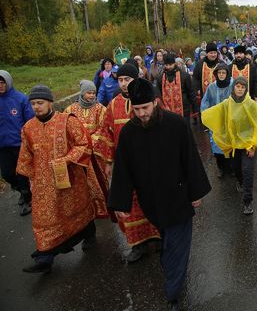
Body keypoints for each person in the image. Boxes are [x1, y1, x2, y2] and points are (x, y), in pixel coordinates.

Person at [109, 78, 211, 311]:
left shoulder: (176, 124)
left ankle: (172, 294)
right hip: (151, 201)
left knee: (176, 247)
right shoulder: (128, 132)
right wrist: (120, 203)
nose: (142, 114)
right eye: (136, 109)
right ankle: (173, 273)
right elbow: (123, 169)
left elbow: (191, 159)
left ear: (155, 103)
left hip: (179, 198)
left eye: (145, 108)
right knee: (168, 242)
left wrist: (196, 192)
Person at [17, 85, 107, 273]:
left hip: (69, 179)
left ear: (50, 102)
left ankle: (89, 233)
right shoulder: (28, 128)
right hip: (42, 183)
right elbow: (26, 155)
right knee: (43, 220)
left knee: (78, 211)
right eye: (33, 104)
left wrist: (66, 160)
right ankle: (44, 258)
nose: (36, 107)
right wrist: (30, 180)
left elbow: (84, 144)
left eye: (40, 103)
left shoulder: (67, 121)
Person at [95, 63, 161, 262]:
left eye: (128, 80)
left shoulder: (147, 101)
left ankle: (158, 239)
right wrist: (108, 161)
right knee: (130, 208)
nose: (124, 84)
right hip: (125, 167)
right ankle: (137, 245)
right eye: (121, 80)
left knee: (152, 200)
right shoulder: (113, 105)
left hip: (149, 163)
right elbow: (106, 133)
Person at [202, 77, 257, 215]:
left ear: (246, 89)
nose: (240, 89)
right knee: (237, 169)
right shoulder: (227, 104)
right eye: (237, 86)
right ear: (233, 88)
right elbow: (216, 116)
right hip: (233, 145)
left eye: (242, 87)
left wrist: (253, 146)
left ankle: (247, 201)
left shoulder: (250, 104)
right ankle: (239, 181)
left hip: (247, 145)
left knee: (248, 171)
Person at [64, 80, 110, 220]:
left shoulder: (100, 108)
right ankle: (87, 209)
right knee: (82, 182)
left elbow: (103, 128)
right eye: (89, 93)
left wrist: (90, 142)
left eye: (94, 93)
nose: (92, 95)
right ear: (82, 93)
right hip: (78, 152)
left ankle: (103, 207)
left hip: (95, 152)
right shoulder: (70, 110)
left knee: (99, 180)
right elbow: (66, 129)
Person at [0, 70, 34, 216]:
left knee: (22, 173)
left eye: (2, 83)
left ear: (8, 82)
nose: (0, 86)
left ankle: (27, 199)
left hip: (19, 144)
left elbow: (30, 121)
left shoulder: (20, 99)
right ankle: (21, 190)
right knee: (7, 174)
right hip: (2, 145)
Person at [200, 64, 234, 178]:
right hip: (217, 121)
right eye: (219, 73)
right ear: (216, 74)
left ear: (227, 73)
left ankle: (231, 168)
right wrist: (207, 117)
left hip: (231, 120)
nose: (221, 75)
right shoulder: (211, 87)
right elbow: (205, 103)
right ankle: (221, 168)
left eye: (224, 73)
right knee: (216, 145)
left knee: (231, 144)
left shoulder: (233, 84)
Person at [157, 53, 195, 120]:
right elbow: (159, 93)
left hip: (183, 109)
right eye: (166, 65)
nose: (168, 67)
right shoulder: (160, 78)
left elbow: (190, 92)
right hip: (167, 110)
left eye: (170, 64)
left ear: (174, 63)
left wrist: (194, 107)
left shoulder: (184, 76)